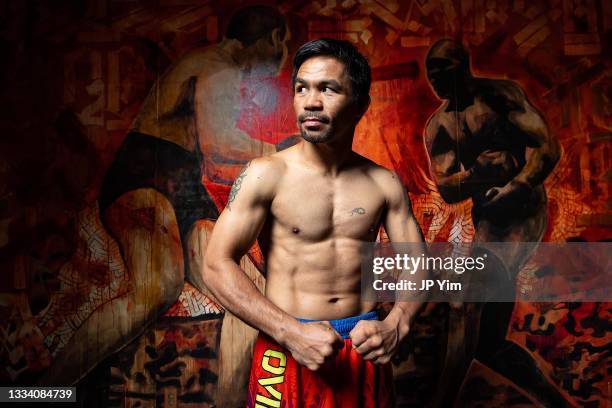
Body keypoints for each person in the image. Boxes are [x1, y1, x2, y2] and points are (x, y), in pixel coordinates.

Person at [39, 7, 290, 404]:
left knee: (250, 292)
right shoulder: (218, 63)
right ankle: (44, 390)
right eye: (285, 41)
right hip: (146, 179)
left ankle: (228, 402)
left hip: (185, 189)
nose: (285, 52)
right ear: (274, 38)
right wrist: (286, 151)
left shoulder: (221, 68)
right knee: (160, 284)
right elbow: (219, 146)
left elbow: (215, 151)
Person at [202, 38, 426, 407]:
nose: (310, 102)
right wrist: (289, 332)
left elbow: (417, 263)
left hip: (361, 349)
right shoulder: (265, 175)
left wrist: (397, 323)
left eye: (328, 89)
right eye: (302, 88)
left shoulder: (383, 183)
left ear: (360, 105)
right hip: (285, 349)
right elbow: (215, 264)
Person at [423, 39, 564, 406]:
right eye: (430, 72)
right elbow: (448, 189)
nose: (435, 78)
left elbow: (547, 147)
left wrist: (517, 184)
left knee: (464, 300)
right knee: (487, 345)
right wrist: (479, 172)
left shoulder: (501, 96)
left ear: (463, 64)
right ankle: (555, 402)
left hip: (524, 213)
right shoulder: (439, 126)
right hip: (488, 220)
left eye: (443, 67)